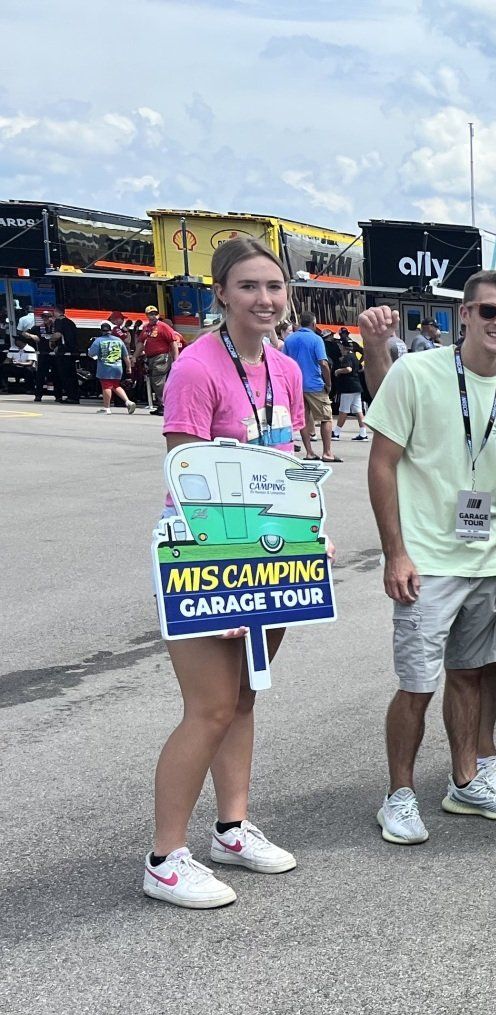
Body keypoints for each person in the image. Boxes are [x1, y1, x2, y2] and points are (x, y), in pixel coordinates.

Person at [142, 235, 311, 909]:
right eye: (248, 286)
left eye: (273, 286)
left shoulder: (284, 370)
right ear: (220, 294)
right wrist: (230, 579)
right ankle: (164, 858)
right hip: (205, 558)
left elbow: (288, 464)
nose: (264, 299)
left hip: (271, 555)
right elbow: (187, 478)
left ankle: (232, 828)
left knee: (244, 698)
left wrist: (309, 534)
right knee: (209, 709)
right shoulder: (197, 367)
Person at [367, 269, 496, 845]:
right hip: (426, 561)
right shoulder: (416, 373)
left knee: (471, 676)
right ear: (464, 314)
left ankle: (465, 780)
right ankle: (398, 796)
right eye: (489, 311)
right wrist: (396, 553)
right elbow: (381, 464)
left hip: (487, 562)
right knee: (417, 684)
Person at [282, 312, 336, 462]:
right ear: (313, 324)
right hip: (314, 385)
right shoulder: (316, 339)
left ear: (300, 323)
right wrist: (328, 383)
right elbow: (323, 363)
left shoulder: (289, 339)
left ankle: (309, 452)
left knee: (304, 419)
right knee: (326, 418)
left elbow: (284, 362)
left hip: (296, 386)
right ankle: (327, 452)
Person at [138, 304, 182, 417]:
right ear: (147, 315)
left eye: (155, 314)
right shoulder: (146, 328)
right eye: (150, 314)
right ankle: (161, 405)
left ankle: (164, 405)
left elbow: (173, 343)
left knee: (158, 382)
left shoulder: (163, 326)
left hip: (161, 357)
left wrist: (176, 360)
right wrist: (134, 356)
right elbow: (140, 343)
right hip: (151, 358)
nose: (153, 316)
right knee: (156, 382)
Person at [86, 324, 135, 414]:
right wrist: (128, 367)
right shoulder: (119, 340)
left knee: (106, 386)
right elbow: (125, 355)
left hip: (105, 367)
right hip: (118, 367)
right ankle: (128, 402)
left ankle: (106, 408)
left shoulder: (99, 340)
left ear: (101, 331)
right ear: (111, 330)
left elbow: (91, 354)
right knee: (115, 385)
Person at [331, 337, 369, 440]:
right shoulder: (354, 356)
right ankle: (363, 433)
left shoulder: (347, 357)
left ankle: (336, 432)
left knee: (343, 410)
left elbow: (348, 369)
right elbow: (359, 368)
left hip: (348, 388)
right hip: (356, 386)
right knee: (358, 410)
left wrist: (338, 371)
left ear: (344, 347)